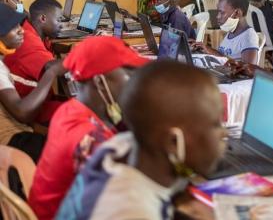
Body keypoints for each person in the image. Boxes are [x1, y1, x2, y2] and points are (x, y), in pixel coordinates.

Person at [56, 61, 226, 219]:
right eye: (216, 124)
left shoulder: (121, 144)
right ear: (173, 143)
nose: (224, 133)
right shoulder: (131, 212)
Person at [29, 36, 148, 220]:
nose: (136, 83)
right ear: (100, 82)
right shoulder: (91, 141)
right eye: (129, 74)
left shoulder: (69, 110)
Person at [0, 4, 65, 162]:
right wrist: (51, 73)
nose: (22, 31)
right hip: (11, 141)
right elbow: (22, 112)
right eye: (14, 27)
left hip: (18, 131)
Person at [4, 0, 64, 124]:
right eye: (59, 20)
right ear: (42, 19)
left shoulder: (31, 28)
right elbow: (50, 66)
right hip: (32, 107)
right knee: (85, 110)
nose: (62, 24)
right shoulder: (28, 40)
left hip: (35, 100)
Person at [194, 0, 259, 65]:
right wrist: (206, 49)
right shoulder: (232, 32)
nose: (217, 16)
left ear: (237, 13)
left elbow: (249, 68)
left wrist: (211, 52)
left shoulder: (248, 36)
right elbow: (223, 55)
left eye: (222, 12)